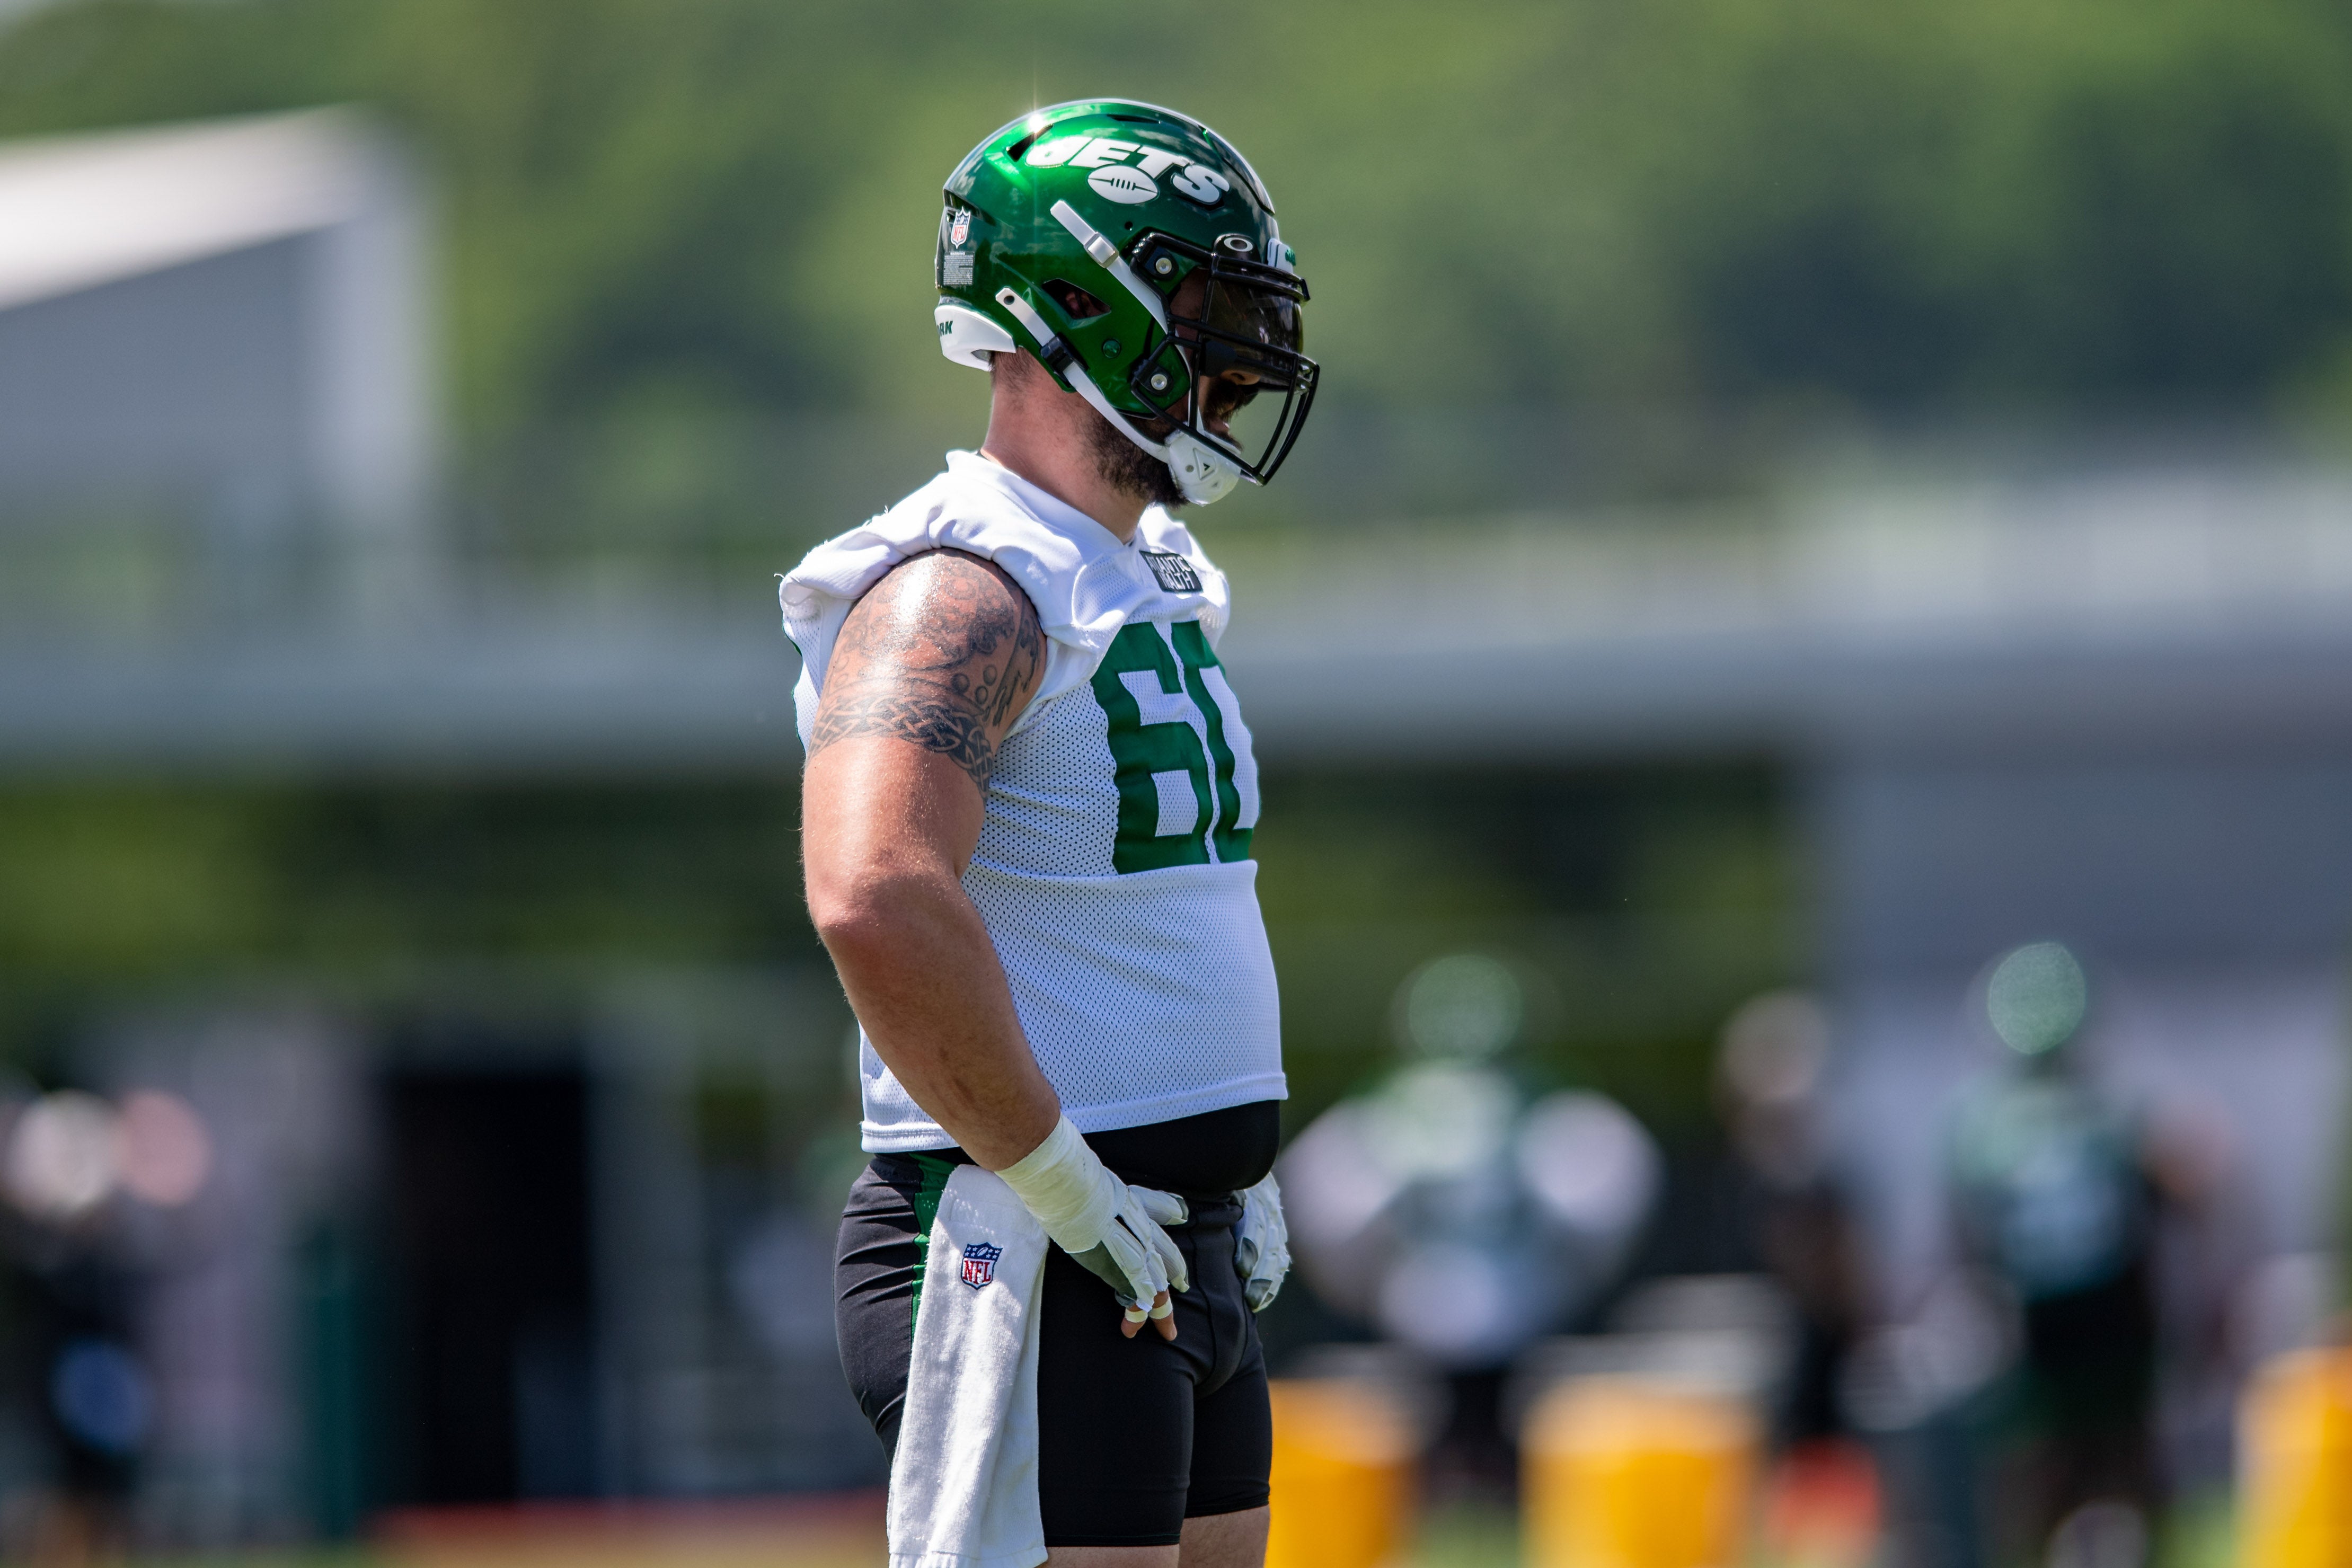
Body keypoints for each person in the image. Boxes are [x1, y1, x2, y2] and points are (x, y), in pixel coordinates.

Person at [784, 100, 1316, 1568]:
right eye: (1208, 302)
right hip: (1031, 1237)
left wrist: (1228, 1179)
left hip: (1166, 1242)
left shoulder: (1136, 572)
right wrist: (1059, 1175)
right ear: (1080, 302)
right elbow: (873, 890)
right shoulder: (964, 585)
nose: (1242, 355)